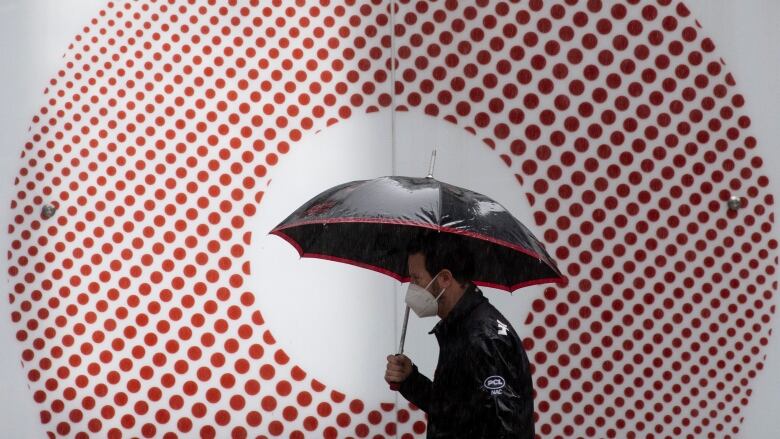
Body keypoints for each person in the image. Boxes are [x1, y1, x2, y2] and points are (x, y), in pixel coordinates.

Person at [384, 232, 535, 438]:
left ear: (445, 278)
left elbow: (509, 428)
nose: (412, 288)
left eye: (417, 279)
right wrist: (410, 380)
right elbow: (455, 412)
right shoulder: (460, 328)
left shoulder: (484, 337)